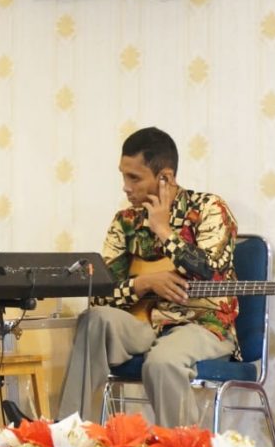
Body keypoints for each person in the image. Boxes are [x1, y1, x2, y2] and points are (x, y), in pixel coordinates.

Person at [55, 127, 238, 427]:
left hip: (202, 324)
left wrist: (163, 230)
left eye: (134, 178)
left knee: (163, 362)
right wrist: (143, 284)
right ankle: (68, 433)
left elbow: (213, 273)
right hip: (142, 325)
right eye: (123, 176)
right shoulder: (125, 221)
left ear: (165, 177)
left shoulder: (210, 209)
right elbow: (100, 294)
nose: (126, 188)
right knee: (94, 320)